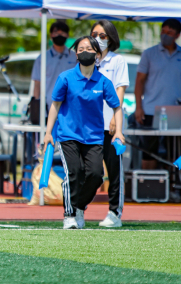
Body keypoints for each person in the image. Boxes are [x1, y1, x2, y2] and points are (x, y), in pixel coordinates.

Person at [43, 36, 124, 230]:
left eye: (89, 48)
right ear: (76, 54)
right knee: (74, 173)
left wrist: (118, 132)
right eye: (81, 48)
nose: (85, 51)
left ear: (97, 54)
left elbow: (117, 107)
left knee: (96, 175)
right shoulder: (65, 78)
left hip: (94, 137)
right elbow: (55, 105)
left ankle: (79, 206)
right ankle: (69, 215)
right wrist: (48, 134)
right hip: (68, 135)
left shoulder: (103, 81)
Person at [134, 19, 181, 169]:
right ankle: (149, 187)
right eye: (163, 32)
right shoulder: (149, 54)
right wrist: (139, 107)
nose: (165, 35)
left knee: (174, 151)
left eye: (169, 33)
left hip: (175, 111)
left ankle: (173, 188)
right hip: (150, 110)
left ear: (177, 35)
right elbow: (139, 81)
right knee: (149, 151)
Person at [91, 20, 128, 228]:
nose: (98, 39)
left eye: (103, 36)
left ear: (111, 38)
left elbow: (120, 90)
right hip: (90, 125)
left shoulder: (117, 61)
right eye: (94, 34)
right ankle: (79, 207)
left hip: (112, 124)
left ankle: (115, 213)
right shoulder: (88, 60)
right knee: (92, 170)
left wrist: (116, 119)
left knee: (114, 170)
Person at [31, 21, 77, 116]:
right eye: (56, 33)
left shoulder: (74, 57)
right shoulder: (42, 58)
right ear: (51, 35)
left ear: (67, 35)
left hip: (70, 107)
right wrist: (36, 104)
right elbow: (37, 83)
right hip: (47, 107)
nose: (59, 36)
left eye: (62, 33)